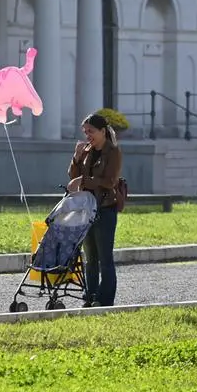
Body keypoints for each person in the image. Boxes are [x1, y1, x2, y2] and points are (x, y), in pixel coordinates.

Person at [66, 113, 123, 308]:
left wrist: (84, 181)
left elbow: (109, 181)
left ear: (102, 131)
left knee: (105, 257)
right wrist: (76, 156)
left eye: (90, 131)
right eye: (85, 131)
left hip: (105, 208)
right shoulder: (87, 150)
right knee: (90, 258)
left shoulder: (113, 151)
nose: (87, 135)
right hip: (87, 209)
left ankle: (105, 298)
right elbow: (72, 176)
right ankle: (90, 296)